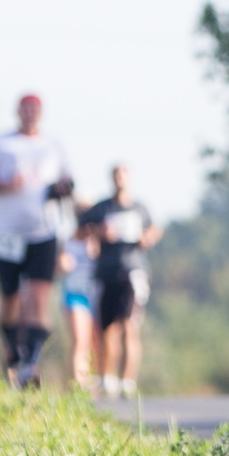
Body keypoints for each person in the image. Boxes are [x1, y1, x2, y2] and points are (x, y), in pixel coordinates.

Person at [0, 94, 72, 389]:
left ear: (40, 113)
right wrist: (2, 184)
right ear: (18, 112)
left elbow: (69, 185)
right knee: (10, 298)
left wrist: (61, 189)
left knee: (40, 297)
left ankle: (30, 363)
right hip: (5, 233)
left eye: (35, 110)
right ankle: (12, 351)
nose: (30, 114)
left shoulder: (53, 146)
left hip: (43, 233)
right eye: (25, 109)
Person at [79, 165, 159, 398]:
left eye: (123, 175)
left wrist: (148, 237)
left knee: (130, 325)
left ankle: (128, 381)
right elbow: (80, 230)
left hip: (133, 272)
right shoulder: (102, 208)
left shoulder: (139, 208)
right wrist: (98, 233)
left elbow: (154, 229)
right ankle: (108, 378)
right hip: (106, 273)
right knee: (108, 329)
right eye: (116, 175)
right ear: (112, 178)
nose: (120, 179)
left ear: (129, 178)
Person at [56, 220, 100, 393]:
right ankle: (79, 387)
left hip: (96, 296)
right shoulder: (67, 242)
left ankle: (94, 381)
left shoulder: (98, 242)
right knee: (80, 340)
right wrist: (62, 263)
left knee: (95, 342)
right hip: (75, 294)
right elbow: (56, 267)